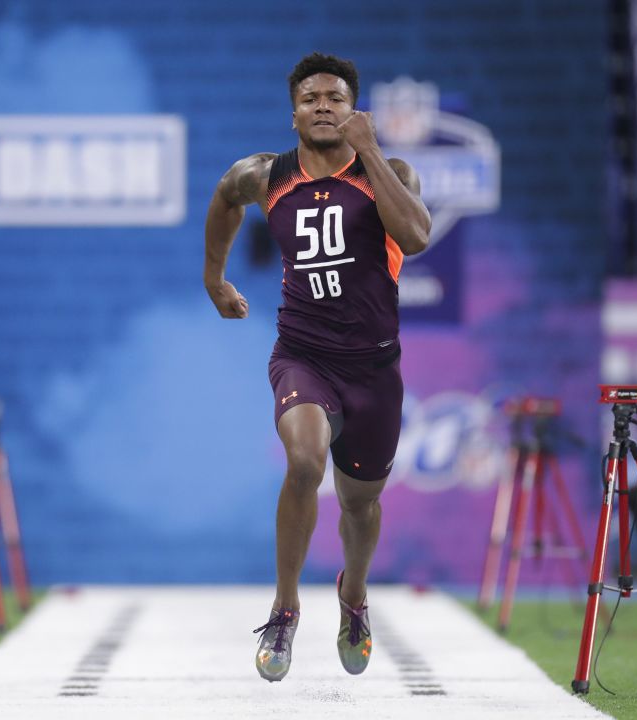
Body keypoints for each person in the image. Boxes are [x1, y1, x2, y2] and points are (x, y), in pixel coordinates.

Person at [202, 52, 431, 682]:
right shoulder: (265, 175)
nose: (323, 106)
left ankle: (353, 597)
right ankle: (284, 607)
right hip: (303, 355)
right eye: (311, 98)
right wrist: (215, 279)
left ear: (352, 109)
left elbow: (414, 238)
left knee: (360, 505)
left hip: (374, 369)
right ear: (294, 110)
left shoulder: (390, 171)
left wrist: (372, 151)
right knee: (304, 462)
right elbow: (225, 197)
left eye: (335, 98)